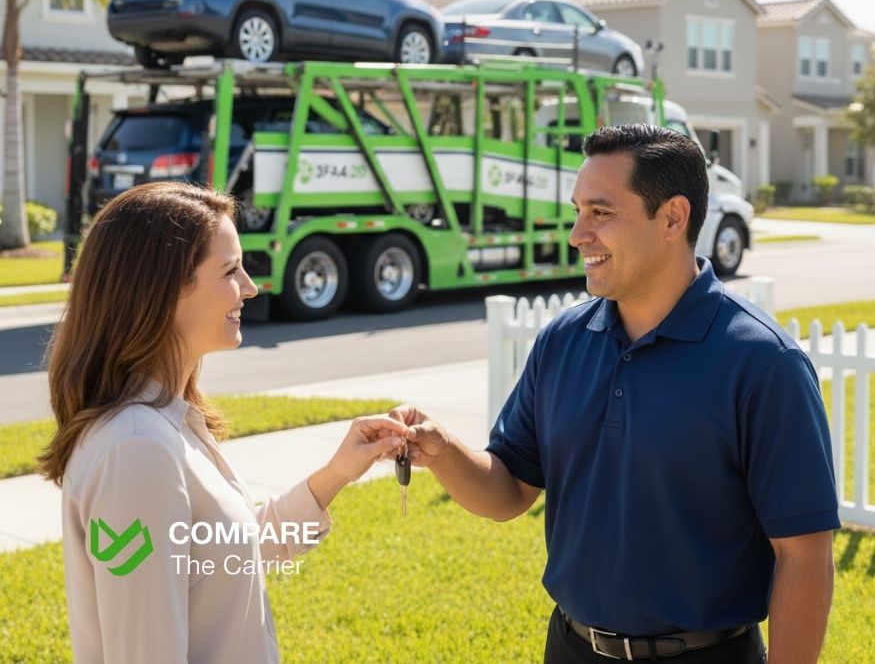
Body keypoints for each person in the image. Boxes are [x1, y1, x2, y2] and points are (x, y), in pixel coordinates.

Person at [391, 125, 839, 663]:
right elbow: (509, 492)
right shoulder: (562, 341)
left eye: (601, 213)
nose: (578, 234)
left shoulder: (764, 363)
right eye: (578, 211)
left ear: (673, 217)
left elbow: (805, 556)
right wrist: (443, 451)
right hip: (571, 647)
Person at [40, 182, 407, 664]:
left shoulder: (164, 423)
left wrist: (338, 472)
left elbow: (230, 549)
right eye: (231, 270)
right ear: (162, 289)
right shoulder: (136, 450)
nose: (250, 287)